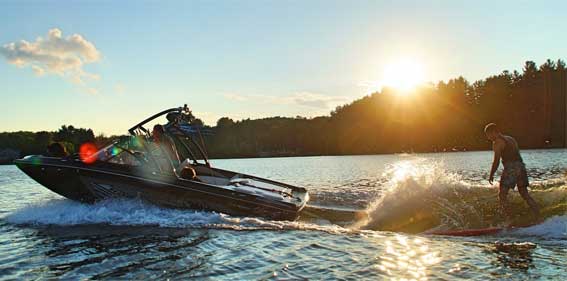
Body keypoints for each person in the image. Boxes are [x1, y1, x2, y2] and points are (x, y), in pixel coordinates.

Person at [485, 123, 540, 222]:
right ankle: (538, 214)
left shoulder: (497, 142)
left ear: (493, 132)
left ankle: (509, 220)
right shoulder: (511, 139)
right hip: (521, 166)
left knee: (502, 195)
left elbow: (496, 160)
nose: (488, 137)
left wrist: (491, 174)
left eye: (488, 135)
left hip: (511, 168)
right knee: (524, 193)